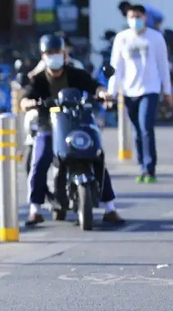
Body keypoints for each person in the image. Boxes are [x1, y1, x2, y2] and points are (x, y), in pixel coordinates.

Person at [21, 34, 125, 226]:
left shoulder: (75, 73)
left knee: (97, 157)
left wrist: (102, 93)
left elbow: (95, 86)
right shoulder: (38, 79)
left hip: (77, 123)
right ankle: (34, 209)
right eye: (50, 53)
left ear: (64, 54)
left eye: (57, 52)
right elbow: (25, 97)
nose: (54, 56)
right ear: (43, 55)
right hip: (49, 125)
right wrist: (29, 102)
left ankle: (110, 207)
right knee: (40, 159)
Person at [109, 4, 172, 183]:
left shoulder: (156, 38)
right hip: (129, 90)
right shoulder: (122, 38)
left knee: (146, 127)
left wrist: (167, 90)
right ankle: (142, 164)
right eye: (132, 17)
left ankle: (149, 168)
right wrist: (111, 92)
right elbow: (116, 67)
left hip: (149, 89)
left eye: (138, 16)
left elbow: (163, 65)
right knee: (137, 130)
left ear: (145, 17)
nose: (135, 20)